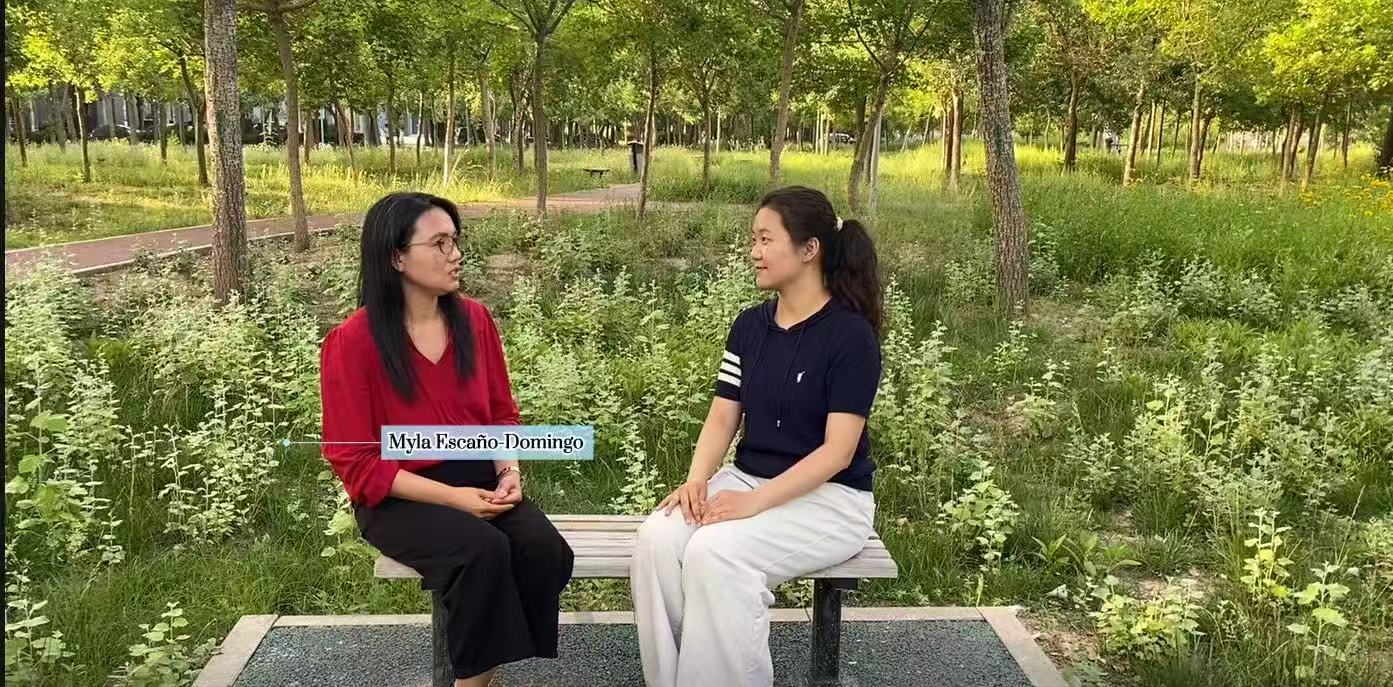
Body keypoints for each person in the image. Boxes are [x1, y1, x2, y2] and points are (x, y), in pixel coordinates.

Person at [630, 186, 884, 687]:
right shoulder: (750, 327)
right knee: (657, 537)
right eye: (754, 239)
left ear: (809, 249)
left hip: (832, 500)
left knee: (715, 552)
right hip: (747, 480)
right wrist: (697, 481)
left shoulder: (850, 336)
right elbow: (722, 417)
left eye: (766, 239)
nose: (754, 251)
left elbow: (838, 452)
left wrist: (755, 503)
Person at [319, 192, 574, 687]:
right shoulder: (353, 341)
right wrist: (454, 499)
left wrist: (509, 472)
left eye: (455, 241)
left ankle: (484, 668)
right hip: (398, 495)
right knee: (481, 552)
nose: (455, 254)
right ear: (396, 256)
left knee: (542, 549)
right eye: (439, 244)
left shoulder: (475, 320)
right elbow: (356, 462)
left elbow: (500, 414)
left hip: (478, 478)